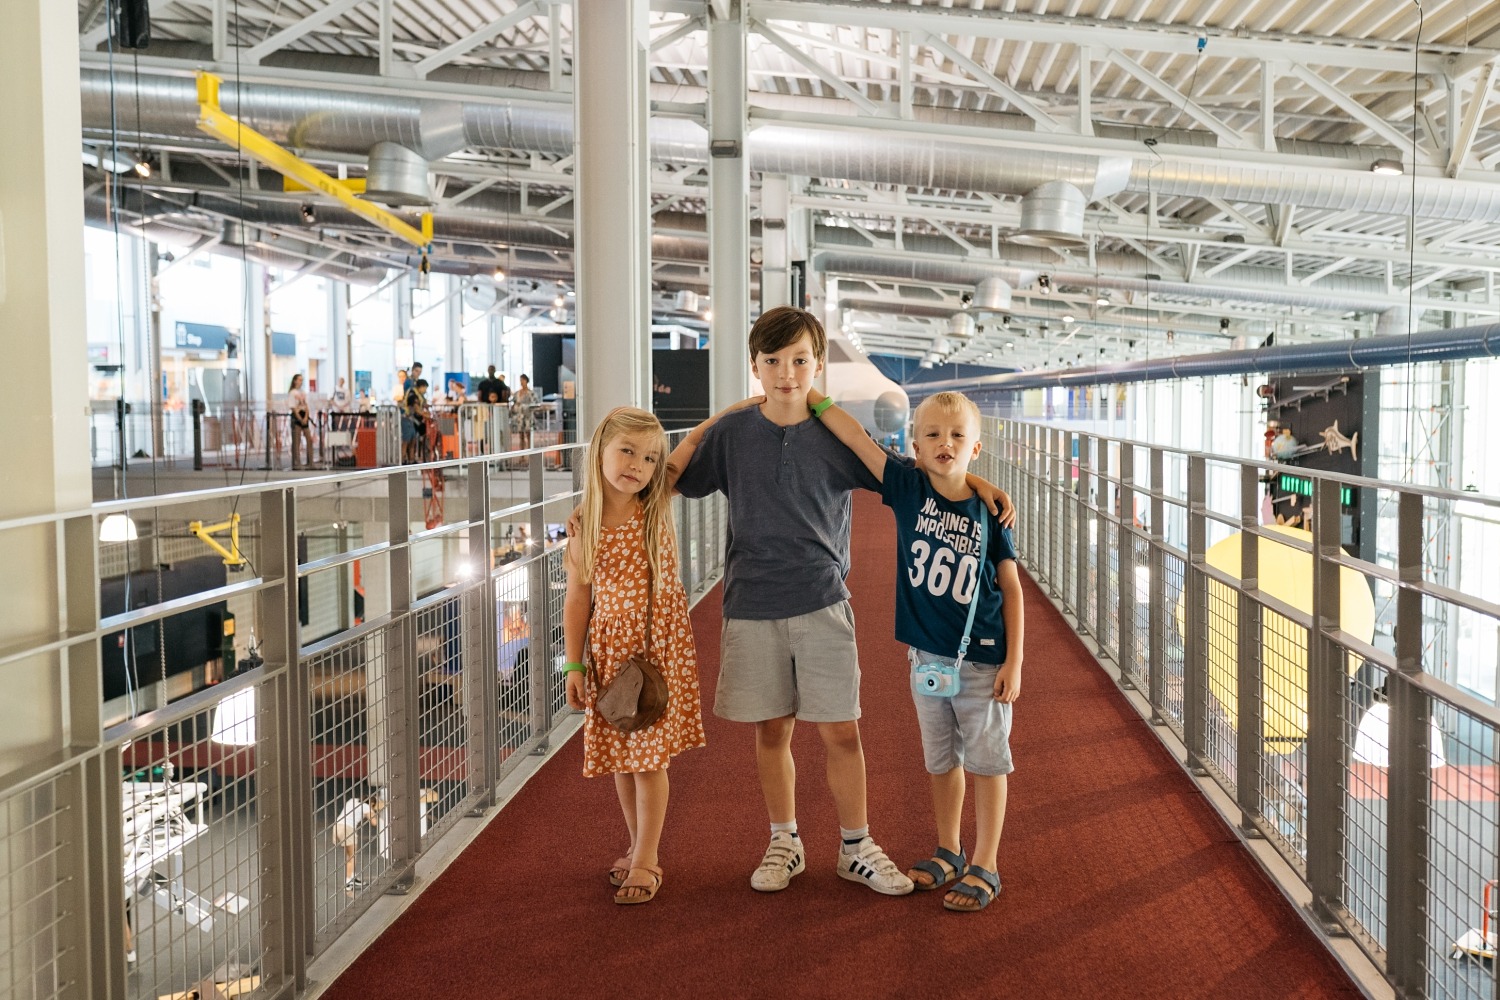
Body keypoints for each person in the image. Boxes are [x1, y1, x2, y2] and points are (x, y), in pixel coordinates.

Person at [670, 305, 1014, 896]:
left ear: (818, 364)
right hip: (751, 602)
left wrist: (975, 483)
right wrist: (712, 421)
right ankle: (785, 840)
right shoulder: (733, 435)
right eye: (773, 362)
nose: (787, 373)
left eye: (800, 360)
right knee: (772, 730)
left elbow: (914, 475)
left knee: (842, 732)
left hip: (824, 601)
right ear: (755, 367)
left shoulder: (833, 435)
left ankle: (856, 845)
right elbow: (671, 477)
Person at [809, 387, 1025, 913]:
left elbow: (1012, 588)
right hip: (926, 659)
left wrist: (1015, 661)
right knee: (940, 760)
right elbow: (857, 437)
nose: (944, 443)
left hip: (983, 659)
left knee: (988, 763)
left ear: (976, 449)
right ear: (915, 444)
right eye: (932, 435)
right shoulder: (907, 488)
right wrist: (808, 393)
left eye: (957, 436)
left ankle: (987, 863)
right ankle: (949, 847)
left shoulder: (989, 512)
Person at [561, 406, 708, 905]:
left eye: (648, 457)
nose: (637, 465)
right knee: (622, 760)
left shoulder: (655, 507)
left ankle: (648, 857)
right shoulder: (585, 526)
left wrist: (726, 414)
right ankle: (636, 845)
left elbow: (686, 452)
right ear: (599, 449)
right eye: (626, 451)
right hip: (608, 653)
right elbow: (578, 598)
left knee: (647, 761)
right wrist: (574, 663)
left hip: (654, 651)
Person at [331, 791, 384, 892]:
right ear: (371, 804)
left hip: (337, 827)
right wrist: (374, 812)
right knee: (352, 857)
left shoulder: (352, 801)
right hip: (348, 829)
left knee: (349, 855)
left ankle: (353, 877)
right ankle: (348, 882)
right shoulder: (366, 807)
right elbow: (374, 822)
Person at [288, 373, 314, 469]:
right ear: (295, 381)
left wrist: (306, 417)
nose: (301, 382)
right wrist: (299, 418)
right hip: (297, 417)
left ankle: (310, 462)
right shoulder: (292, 393)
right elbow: (293, 408)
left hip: (304, 415)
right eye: (299, 380)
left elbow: (306, 405)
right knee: (296, 441)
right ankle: (296, 463)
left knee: (309, 439)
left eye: (302, 380)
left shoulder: (303, 392)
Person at [403, 378, 430, 463]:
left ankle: (412, 458)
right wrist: (425, 414)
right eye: (425, 388)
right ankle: (404, 459)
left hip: (412, 420)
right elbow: (416, 407)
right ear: (421, 387)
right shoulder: (413, 393)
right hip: (407, 419)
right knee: (407, 440)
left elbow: (421, 404)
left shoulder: (419, 394)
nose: (425, 391)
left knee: (413, 439)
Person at [510, 373, 538, 452]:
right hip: (520, 417)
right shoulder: (517, 393)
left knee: (528, 435)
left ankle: (529, 453)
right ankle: (521, 455)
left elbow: (535, 403)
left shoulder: (531, 393)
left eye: (522, 380)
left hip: (528, 417)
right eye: (520, 380)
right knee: (521, 436)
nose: (521, 382)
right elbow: (513, 402)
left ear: (526, 381)